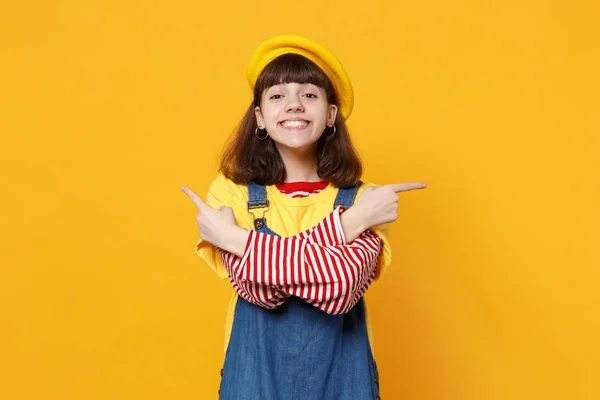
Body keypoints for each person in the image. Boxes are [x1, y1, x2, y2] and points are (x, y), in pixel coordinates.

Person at [181, 34, 426, 400]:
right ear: (260, 118)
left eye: (309, 94)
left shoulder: (366, 198)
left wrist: (236, 241)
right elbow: (259, 292)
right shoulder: (230, 192)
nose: (293, 105)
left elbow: (341, 288)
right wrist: (348, 225)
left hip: (345, 385)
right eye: (278, 96)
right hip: (254, 385)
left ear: (330, 115)